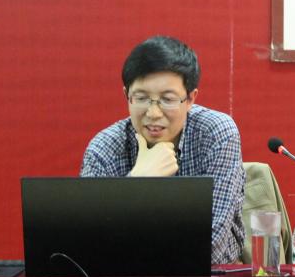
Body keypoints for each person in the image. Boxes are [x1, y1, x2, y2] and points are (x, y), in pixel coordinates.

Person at [79, 35, 246, 264]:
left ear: (190, 99)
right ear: (127, 96)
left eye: (167, 99)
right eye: (141, 98)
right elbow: (87, 248)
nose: (153, 113)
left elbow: (211, 248)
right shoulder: (103, 149)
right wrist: (138, 181)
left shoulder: (216, 133)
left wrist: (126, 238)